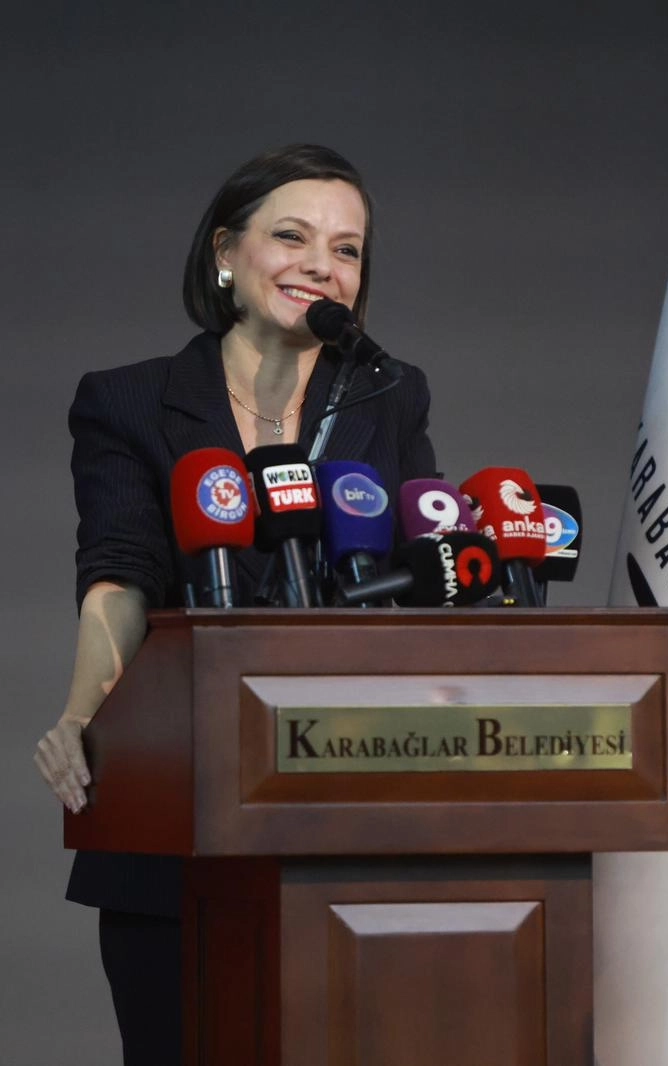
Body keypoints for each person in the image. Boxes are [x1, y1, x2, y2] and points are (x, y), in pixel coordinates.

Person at [32, 144, 438, 1065]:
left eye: (346, 249)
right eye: (291, 237)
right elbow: (121, 574)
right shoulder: (131, 401)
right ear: (225, 253)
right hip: (183, 798)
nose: (320, 265)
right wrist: (83, 712)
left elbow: (421, 561)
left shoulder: (387, 394)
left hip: (347, 805)